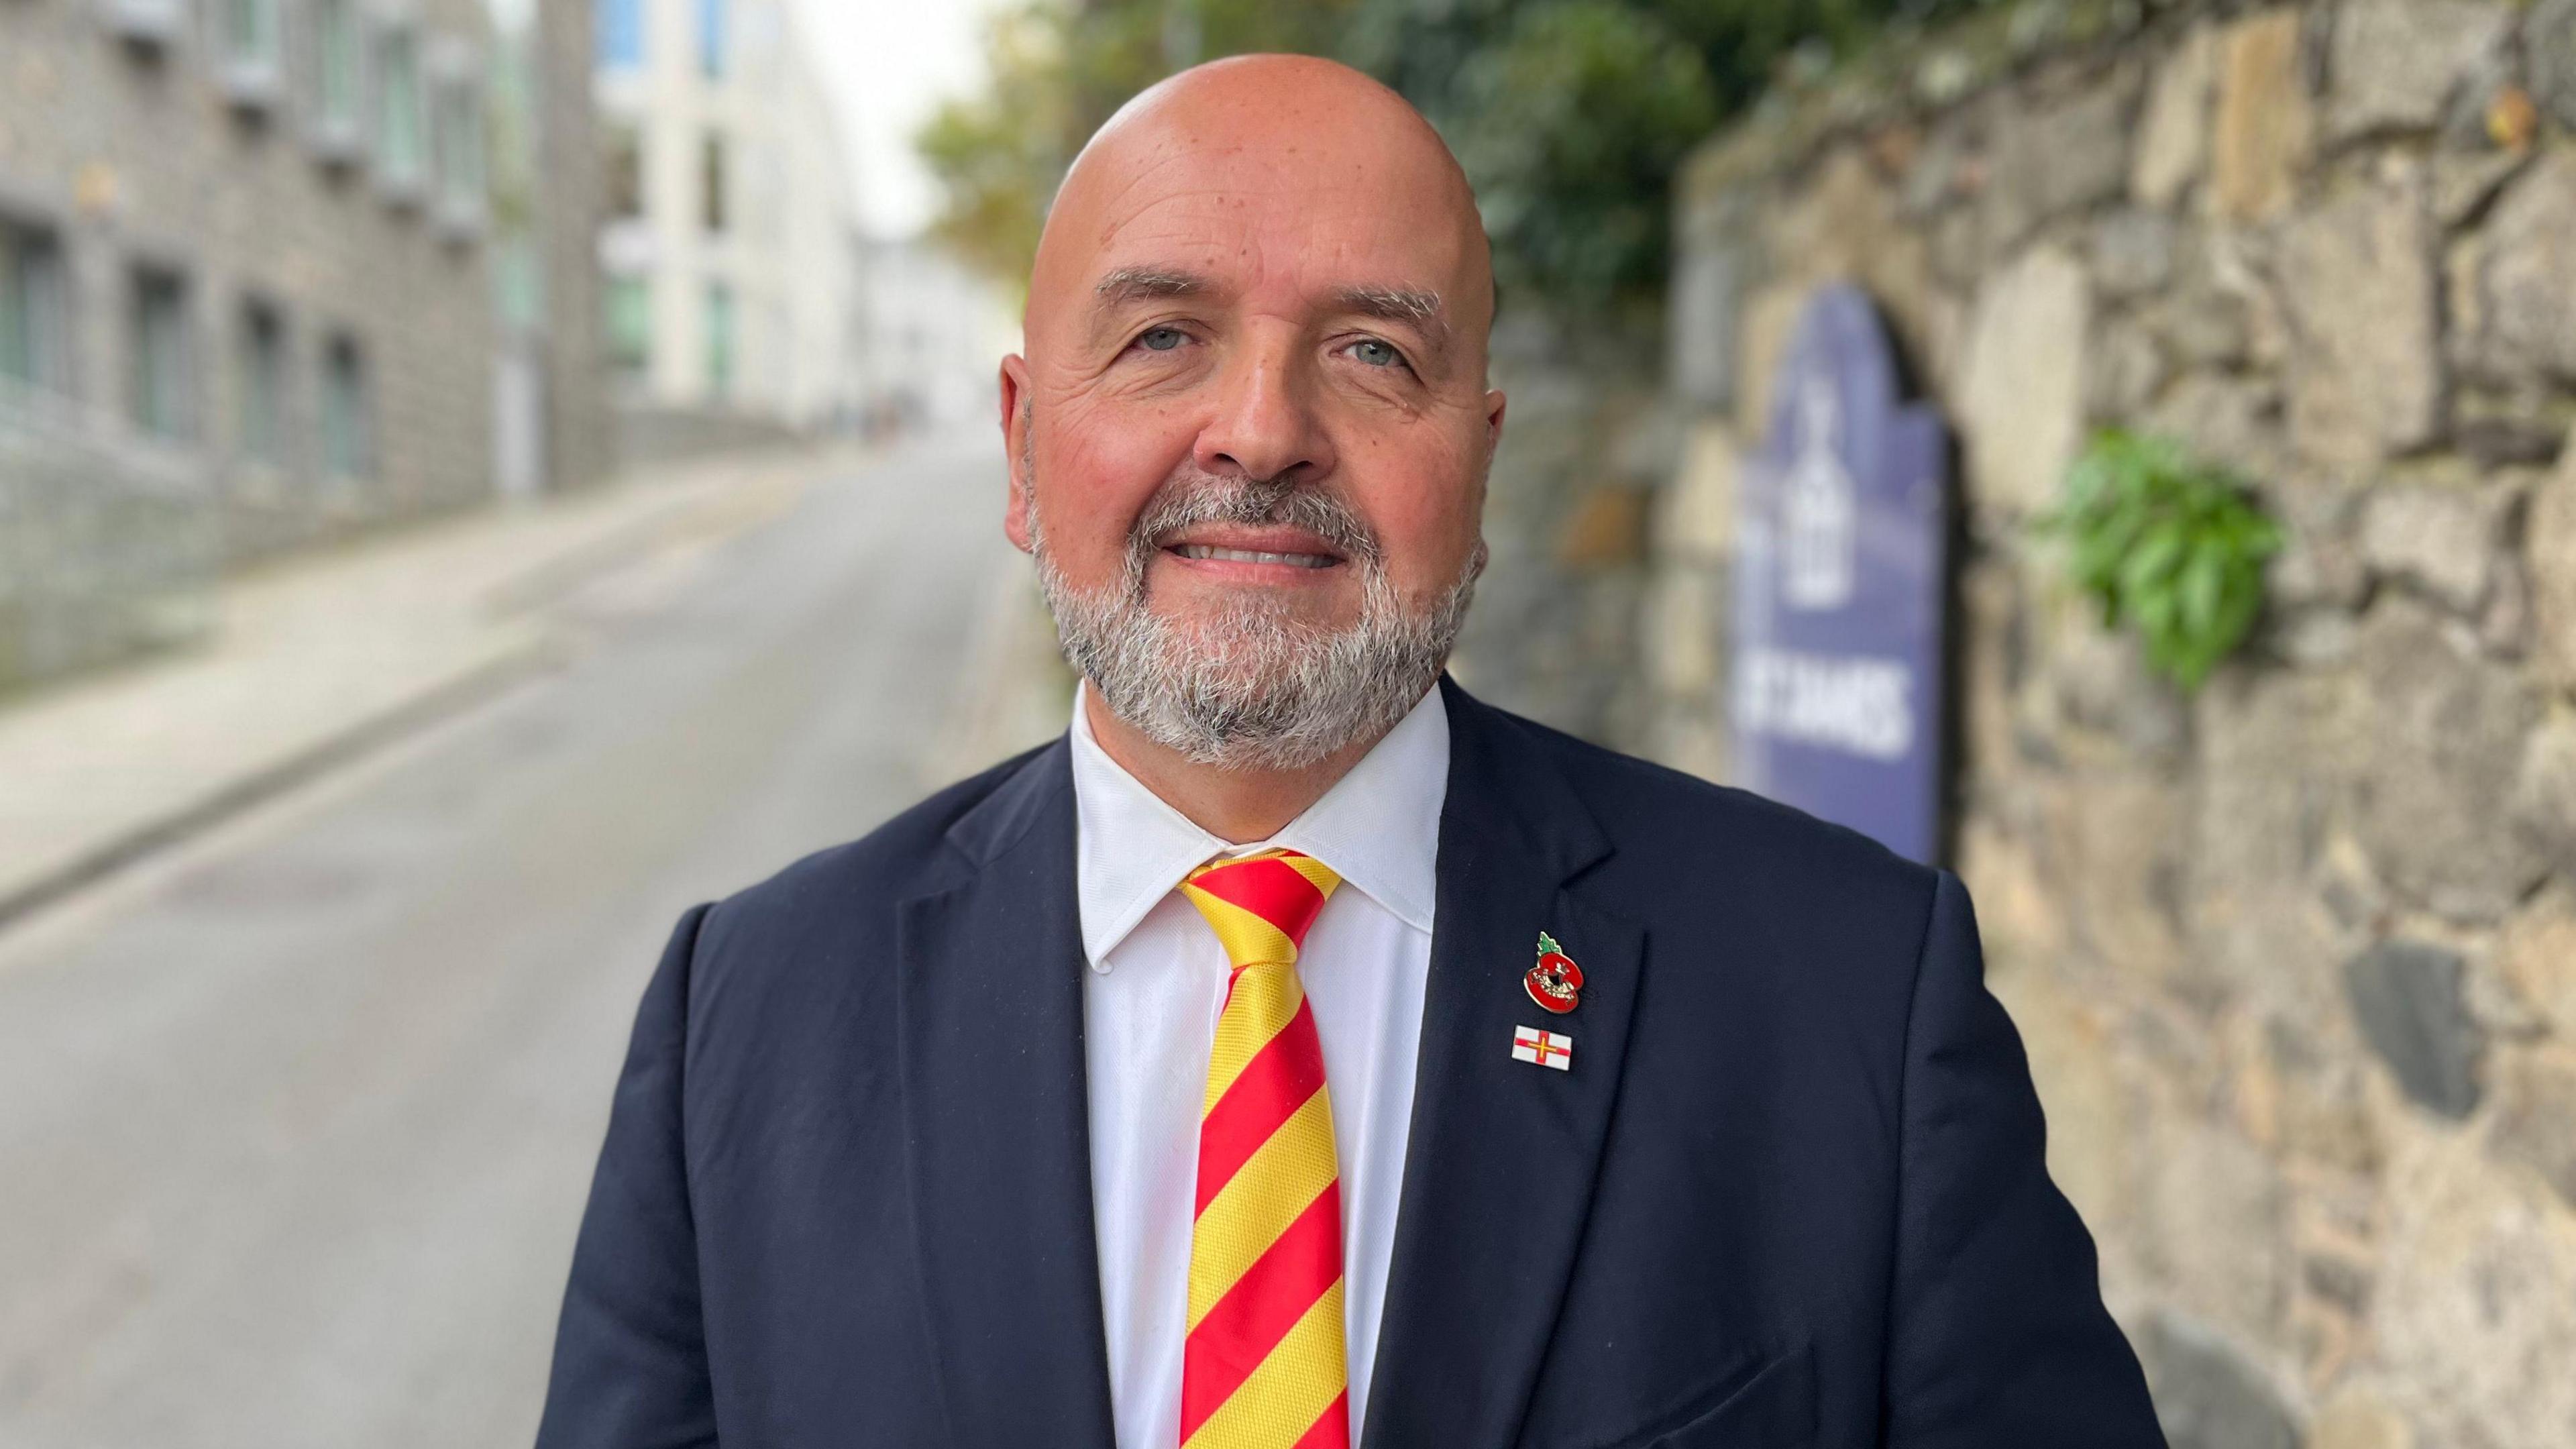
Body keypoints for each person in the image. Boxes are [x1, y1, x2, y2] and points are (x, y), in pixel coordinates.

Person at [535, 54, 2165, 1449]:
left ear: (1480, 457)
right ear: (1025, 448)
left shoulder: (1851, 997)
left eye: (1376, 352)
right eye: (1163, 334)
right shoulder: (744, 1021)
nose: (1261, 428)